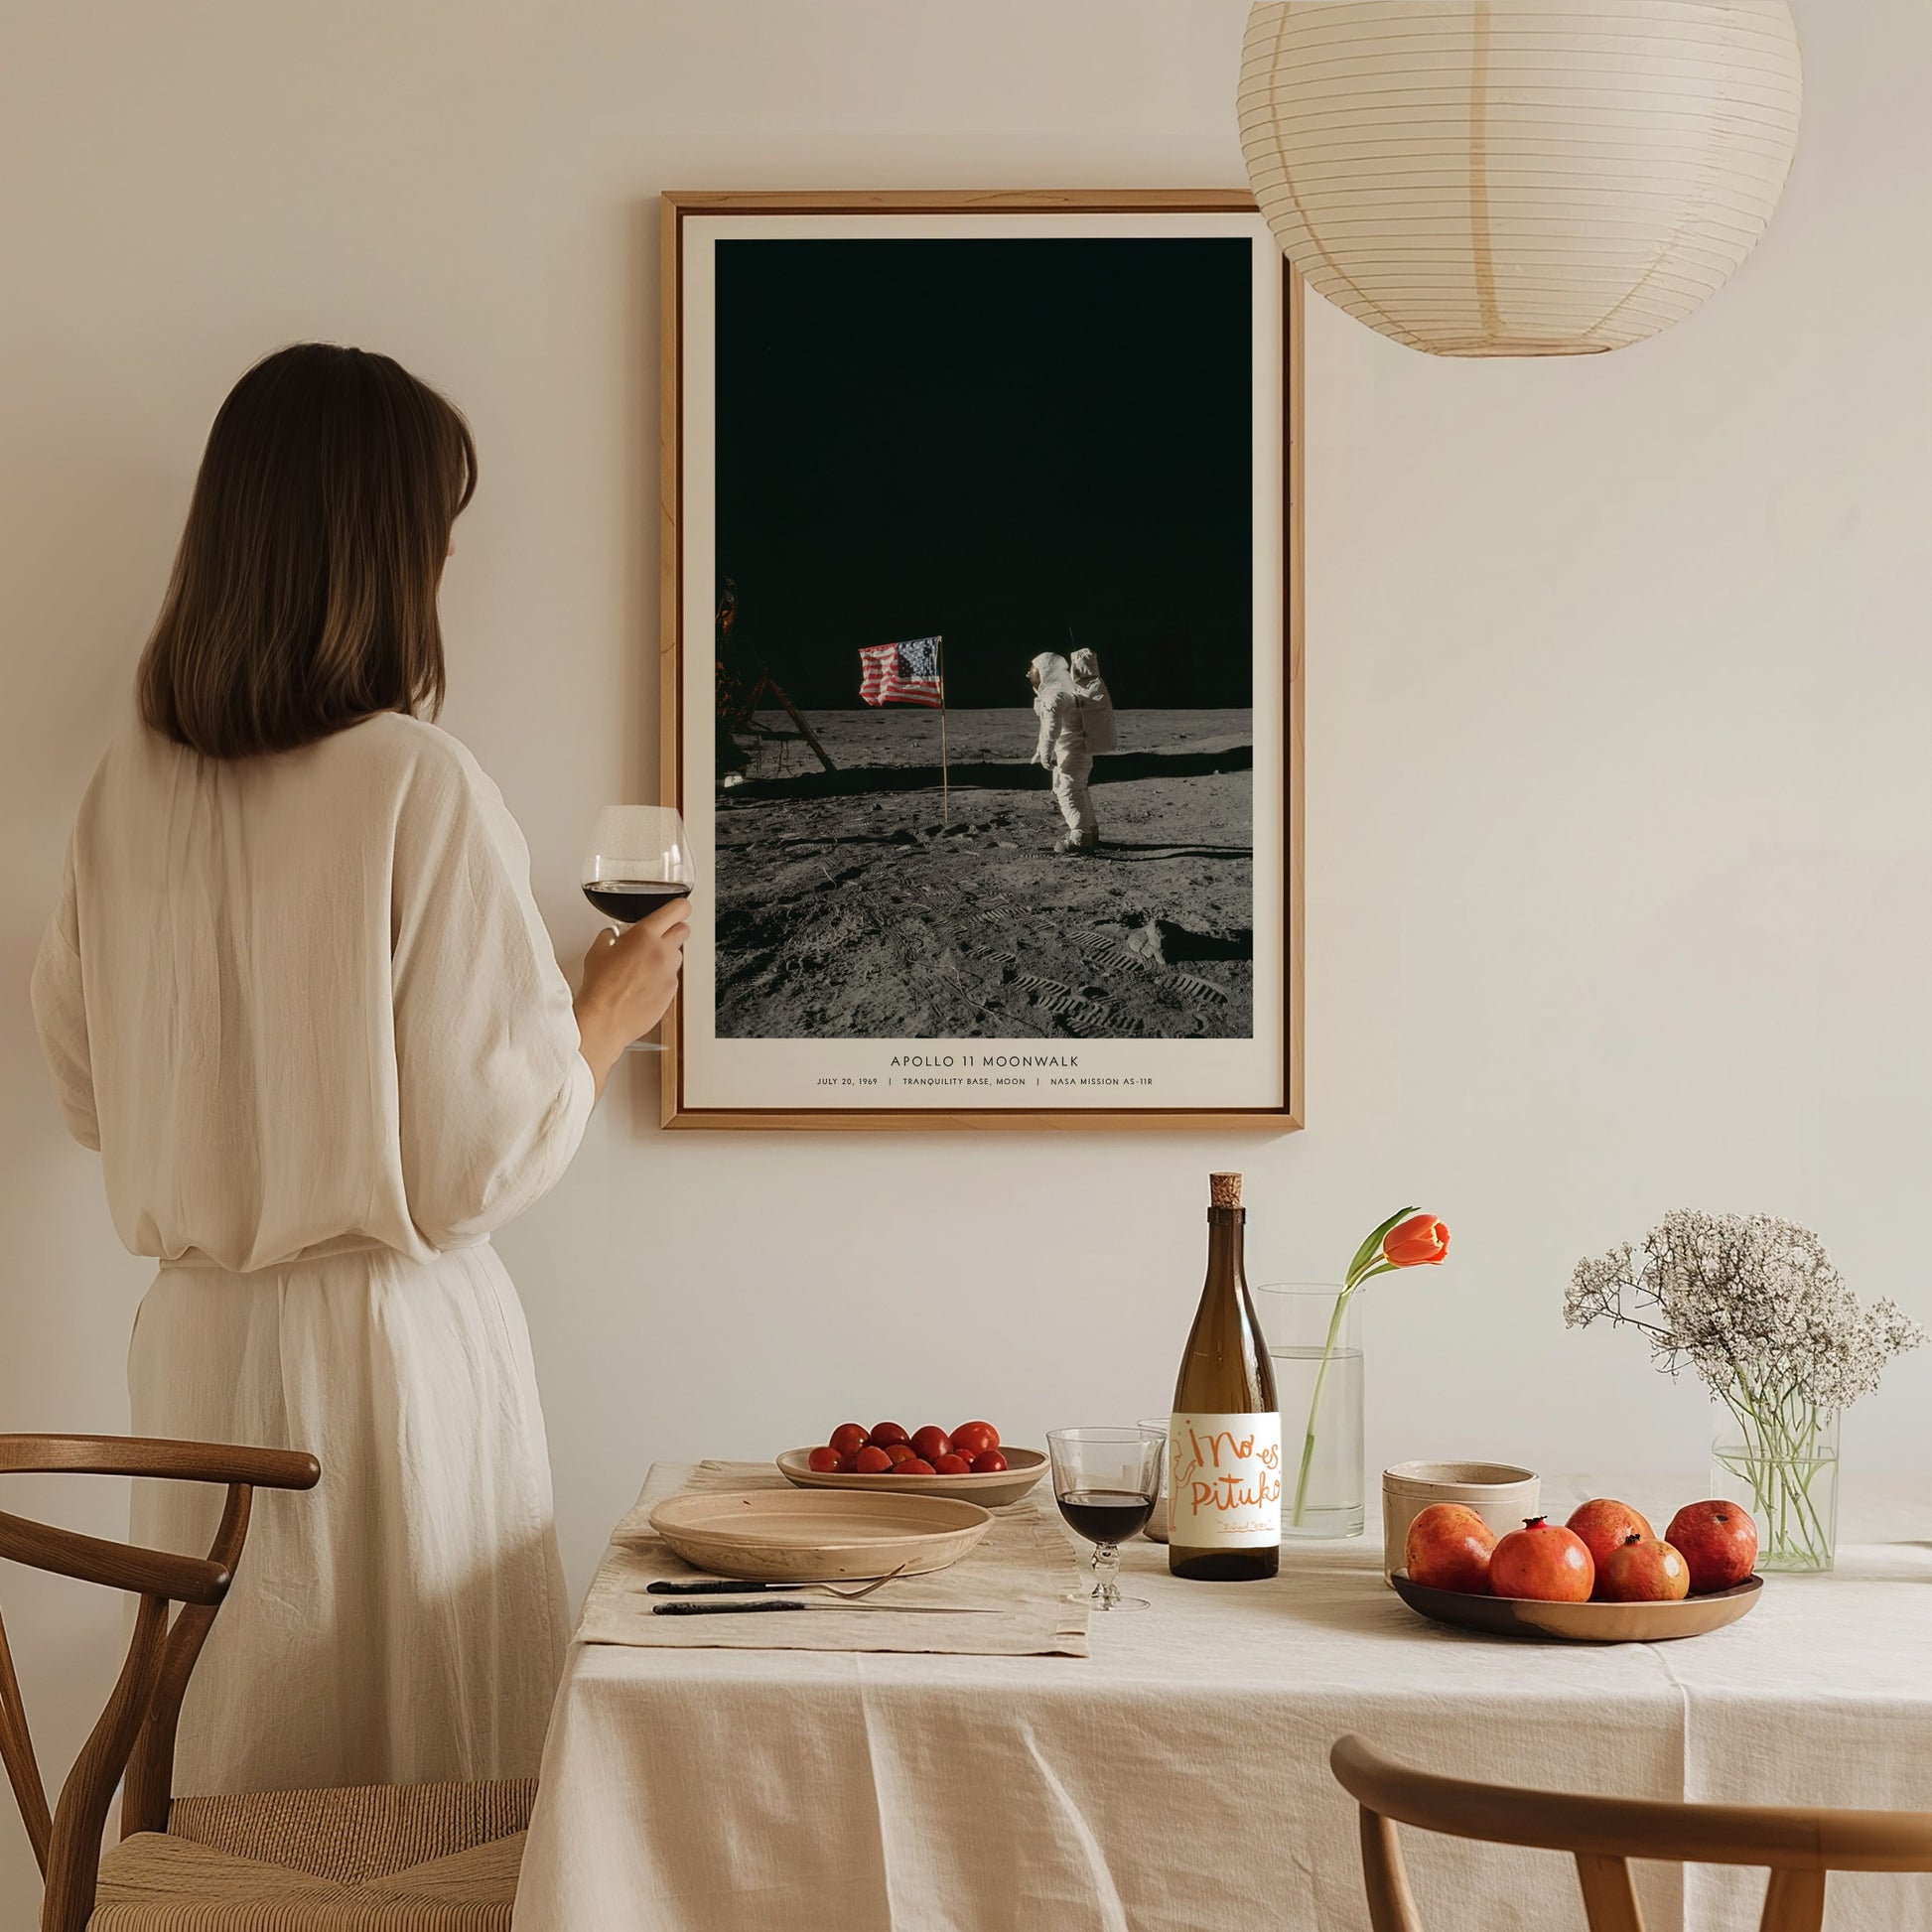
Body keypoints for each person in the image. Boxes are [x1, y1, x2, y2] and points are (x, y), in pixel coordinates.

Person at [29, 343, 686, 1795]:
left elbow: (87, 1093)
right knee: (422, 1799)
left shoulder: (121, 792)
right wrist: (602, 1012)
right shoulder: (415, 780)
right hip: (389, 1363)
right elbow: (472, 1162)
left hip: (195, 1352)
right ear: (384, 553)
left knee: (239, 1780)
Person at [1029, 649, 1099, 854]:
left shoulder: (1057, 694)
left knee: (1068, 791)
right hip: (1078, 751)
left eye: (1033, 671)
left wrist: (1045, 751)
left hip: (1072, 753)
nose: (1030, 675)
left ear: (1045, 672)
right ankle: (1091, 831)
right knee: (1079, 789)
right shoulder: (1065, 689)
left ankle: (1080, 838)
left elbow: (1052, 727)